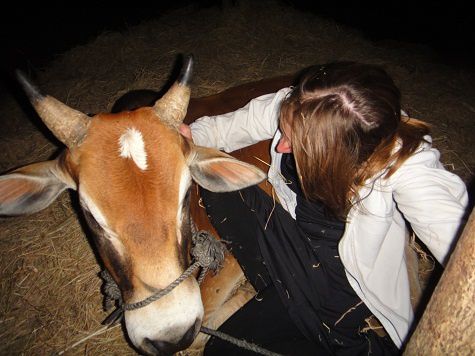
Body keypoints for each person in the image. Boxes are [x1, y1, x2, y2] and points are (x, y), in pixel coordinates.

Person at [179, 62, 468, 355]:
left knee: (221, 350)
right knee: (218, 187)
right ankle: (280, 291)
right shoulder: (305, 106)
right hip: (299, 240)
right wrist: (187, 138)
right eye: (284, 131)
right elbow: (237, 124)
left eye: (296, 143)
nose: (280, 146)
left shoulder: (402, 169)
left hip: (341, 286)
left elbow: (456, 235)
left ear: (337, 151)